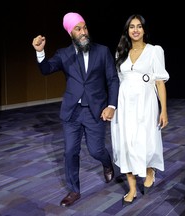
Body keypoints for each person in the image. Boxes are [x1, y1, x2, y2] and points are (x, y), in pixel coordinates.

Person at [32, 12, 119, 207]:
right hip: (71, 112)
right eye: (78, 29)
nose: (83, 32)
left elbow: (112, 80)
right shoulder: (64, 54)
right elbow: (46, 69)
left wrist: (112, 105)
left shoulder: (102, 51)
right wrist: (40, 52)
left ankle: (106, 163)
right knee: (70, 151)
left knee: (96, 150)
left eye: (84, 27)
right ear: (70, 32)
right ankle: (74, 190)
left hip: (95, 110)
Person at [111, 14, 170, 207]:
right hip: (126, 104)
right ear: (127, 31)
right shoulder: (121, 53)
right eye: (131, 27)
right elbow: (119, 82)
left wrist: (164, 110)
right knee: (126, 143)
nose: (135, 30)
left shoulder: (154, 51)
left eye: (139, 26)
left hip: (146, 103)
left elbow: (160, 82)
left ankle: (150, 168)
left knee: (146, 140)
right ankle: (132, 189)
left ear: (144, 30)